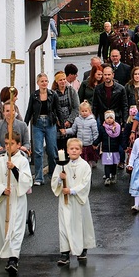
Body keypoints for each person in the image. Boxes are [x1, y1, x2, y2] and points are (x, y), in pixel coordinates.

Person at [0, 132, 33, 274]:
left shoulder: (22, 161)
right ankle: (8, 254)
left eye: (11, 143)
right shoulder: (0, 161)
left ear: (19, 145)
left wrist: (13, 168)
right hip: (5, 197)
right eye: (6, 143)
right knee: (6, 227)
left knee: (16, 228)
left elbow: (26, 180)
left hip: (17, 197)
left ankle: (13, 259)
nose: (8, 146)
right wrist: (1, 190)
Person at [52, 138, 96, 266]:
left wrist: (71, 190)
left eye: (77, 149)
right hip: (65, 202)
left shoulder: (85, 166)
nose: (74, 151)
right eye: (72, 148)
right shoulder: (62, 164)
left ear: (81, 151)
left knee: (80, 224)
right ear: (67, 150)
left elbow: (85, 183)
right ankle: (64, 253)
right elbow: (55, 181)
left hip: (78, 200)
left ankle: (82, 248)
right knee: (64, 225)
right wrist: (60, 180)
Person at [24, 73, 62, 186]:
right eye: (42, 81)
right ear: (38, 83)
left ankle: (53, 174)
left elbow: (58, 109)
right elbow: (29, 110)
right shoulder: (34, 95)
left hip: (50, 123)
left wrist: (62, 126)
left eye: (46, 81)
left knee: (51, 150)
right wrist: (24, 125)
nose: (44, 83)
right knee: (38, 151)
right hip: (38, 123)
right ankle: (39, 177)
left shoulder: (53, 94)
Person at [64, 102, 98, 172]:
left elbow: (95, 133)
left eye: (86, 111)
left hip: (89, 144)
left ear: (89, 111)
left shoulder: (92, 121)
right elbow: (73, 130)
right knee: (79, 162)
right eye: (82, 111)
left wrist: (95, 143)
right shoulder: (77, 120)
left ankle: (88, 175)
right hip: (80, 145)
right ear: (80, 111)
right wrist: (65, 131)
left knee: (88, 162)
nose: (84, 113)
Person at [52, 71, 80, 152]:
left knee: (70, 144)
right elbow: (52, 109)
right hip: (58, 122)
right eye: (60, 80)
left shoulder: (71, 91)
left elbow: (76, 107)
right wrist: (58, 121)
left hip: (70, 120)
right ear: (56, 81)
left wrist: (69, 121)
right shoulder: (53, 93)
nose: (63, 81)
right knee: (60, 147)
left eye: (64, 79)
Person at [95, 110, 122, 186]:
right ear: (104, 119)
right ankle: (107, 177)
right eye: (107, 118)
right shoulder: (102, 128)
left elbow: (120, 138)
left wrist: (123, 146)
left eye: (111, 118)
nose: (109, 119)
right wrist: (95, 143)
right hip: (106, 150)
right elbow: (100, 137)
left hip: (114, 149)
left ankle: (113, 175)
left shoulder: (117, 127)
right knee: (107, 164)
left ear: (113, 119)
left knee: (114, 164)